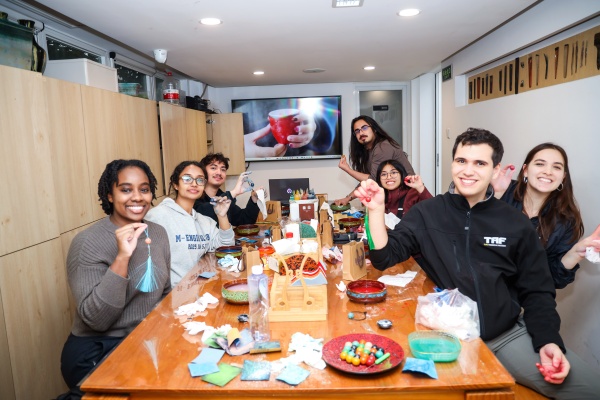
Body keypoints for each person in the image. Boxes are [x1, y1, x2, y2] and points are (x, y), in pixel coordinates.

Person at [354, 128, 600, 399]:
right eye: (461, 161)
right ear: (452, 164)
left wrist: (548, 340)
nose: (468, 171)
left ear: (495, 170)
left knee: (590, 389)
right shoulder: (428, 212)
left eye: (480, 163)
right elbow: (384, 256)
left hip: (504, 336)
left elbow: (538, 291)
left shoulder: (515, 223)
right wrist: (375, 210)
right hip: (445, 336)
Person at [59, 160, 171, 400]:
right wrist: (122, 257)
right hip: (99, 349)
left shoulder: (158, 233)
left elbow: (164, 293)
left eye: (144, 189)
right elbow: (97, 319)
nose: (137, 197)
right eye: (126, 189)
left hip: (144, 341)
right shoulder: (88, 242)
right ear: (110, 195)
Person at [492, 143, 600, 288]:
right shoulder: (501, 189)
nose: (548, 172)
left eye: (556, 167)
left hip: (522, 295)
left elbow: (553, 279)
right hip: (480, 285)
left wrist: (575, 253)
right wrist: (493, 197)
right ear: (525, 170)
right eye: (540, 164)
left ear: (563, 177)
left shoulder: (566, 220)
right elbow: (470, 237)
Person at [145, 161, 235, 286]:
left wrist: (222, 215)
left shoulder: (205, 222)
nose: (194, 184)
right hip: (171, 293)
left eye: (200, 180)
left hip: (198, 288)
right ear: (176, 184)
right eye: (187, 179)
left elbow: (226, 247)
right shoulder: (157, 216)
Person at [335, 115, 414, 206]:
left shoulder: (382, 147)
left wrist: (348, 169)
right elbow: (367, 182)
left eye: (364, 128)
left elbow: (373, 180)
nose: (361, 133)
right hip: (394, 199)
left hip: (406, 198)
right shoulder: (368, 151)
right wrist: (348, 198)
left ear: (374, 129)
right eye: (357, 131)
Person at [193, 153, 262, 226]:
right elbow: (202, 213)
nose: (219, 173)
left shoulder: (223, 196)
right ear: (202, 172)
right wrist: (234, 192)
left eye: (223, 169)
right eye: (213, 168)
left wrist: (254, 199)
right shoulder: (194, 195)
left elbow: (245, 221)